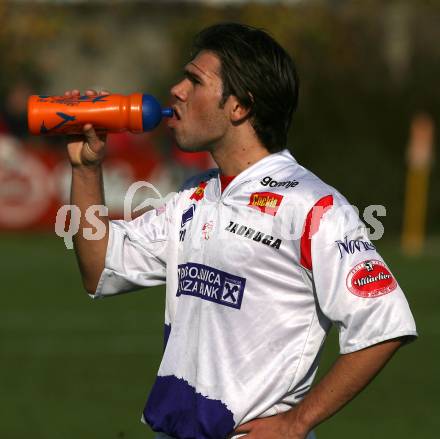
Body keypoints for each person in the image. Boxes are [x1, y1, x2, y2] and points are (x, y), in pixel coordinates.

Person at [66, 23, 417, 439]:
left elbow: (385, 322)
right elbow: (99, 266)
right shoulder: (193, 196)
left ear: (239, 107)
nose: (176, 90)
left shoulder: (311, 204)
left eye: (195, 81)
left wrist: (297, 422)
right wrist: (86, 167)